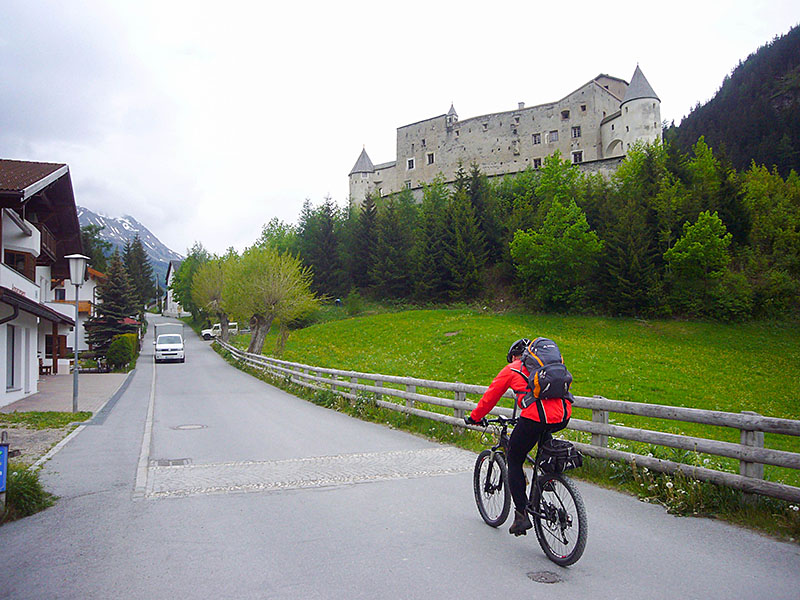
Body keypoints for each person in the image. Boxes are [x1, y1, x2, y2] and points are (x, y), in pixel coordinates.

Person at [465, 338, 572, 536]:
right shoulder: (551, 364)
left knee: (514, 459)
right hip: (562, 416)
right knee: (542, 440)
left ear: (515, 356)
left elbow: (490, 397)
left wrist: (475, 418)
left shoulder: (513, 369)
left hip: (534, 417)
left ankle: (522, 515)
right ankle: (548, 478)